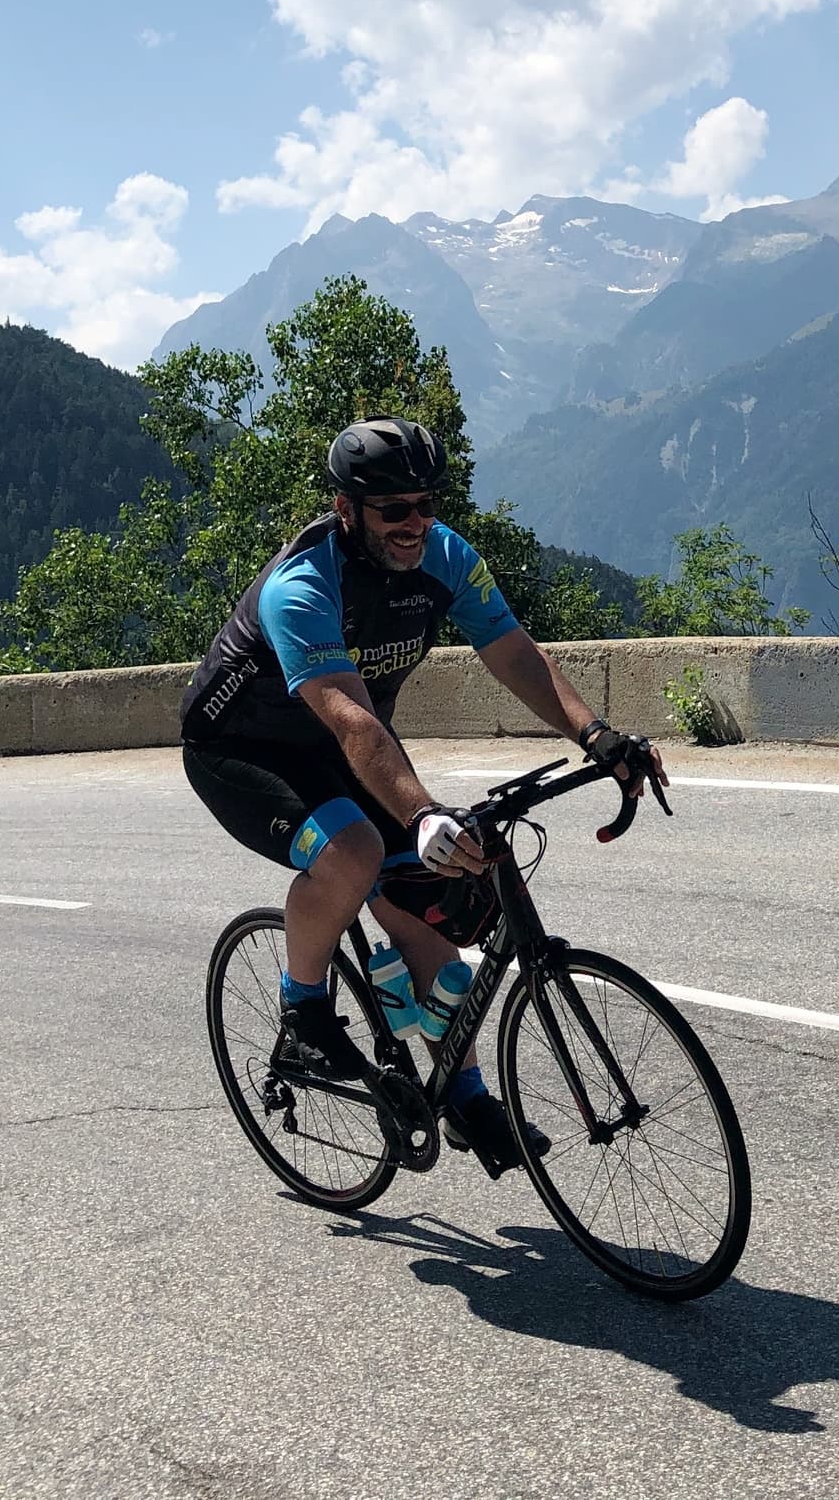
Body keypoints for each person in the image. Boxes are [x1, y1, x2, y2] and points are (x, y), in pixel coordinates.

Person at [180, 415, 666, 1175]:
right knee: (355, 851)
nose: (414, 524)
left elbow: (515, 655)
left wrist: (598, 737)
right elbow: (350, 720)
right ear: (347, 510)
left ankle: (464, 1093)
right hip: (244, 748)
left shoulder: (446, 558)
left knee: (428, 903)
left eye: (425, 504)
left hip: (350, 740)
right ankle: (303, 1007)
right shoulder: (303, 586)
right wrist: (421, 810)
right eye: (393, 510)